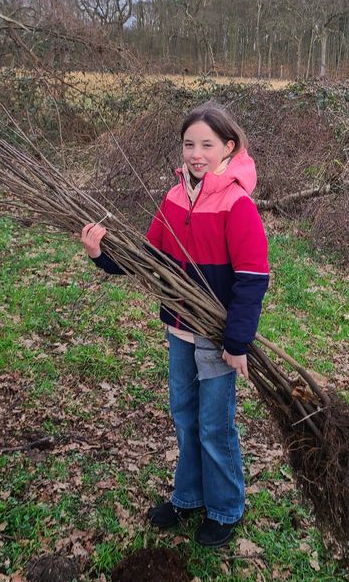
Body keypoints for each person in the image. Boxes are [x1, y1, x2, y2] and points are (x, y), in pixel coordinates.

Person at [81, 102, 269, 548]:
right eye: (189, 144)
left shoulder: (235, 202)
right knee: (185, 418)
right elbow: (150, 261)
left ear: (229, 147)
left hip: (217, 338)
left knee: (214, 425)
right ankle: (187, 497)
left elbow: (253, 276)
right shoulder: (173, 197)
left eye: (207, 144)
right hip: (180, 331)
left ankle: (225, 507)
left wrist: (238, 341)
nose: (196, 153)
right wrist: (100, 255)